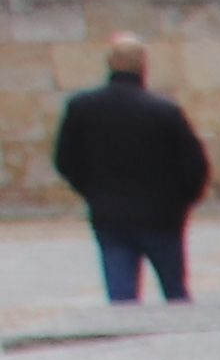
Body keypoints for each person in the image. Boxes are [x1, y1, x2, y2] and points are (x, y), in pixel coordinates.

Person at [51, 36, 207, 304]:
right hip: (162, 214)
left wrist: (92, 190)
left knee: (122, 299)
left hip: (110, 212)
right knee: (176, 294)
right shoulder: (164, 111)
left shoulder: (83, 108)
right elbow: (194, 165)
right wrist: (182, 200)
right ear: (143, 67)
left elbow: (65, 160)